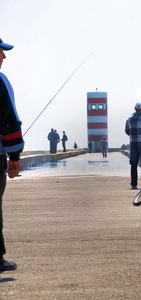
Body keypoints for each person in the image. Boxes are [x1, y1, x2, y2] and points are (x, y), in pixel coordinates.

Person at [0, 37, 24, 271]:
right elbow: (8, 121)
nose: (4, 57)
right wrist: (14, 158)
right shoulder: (0, 80)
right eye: (1, 52)